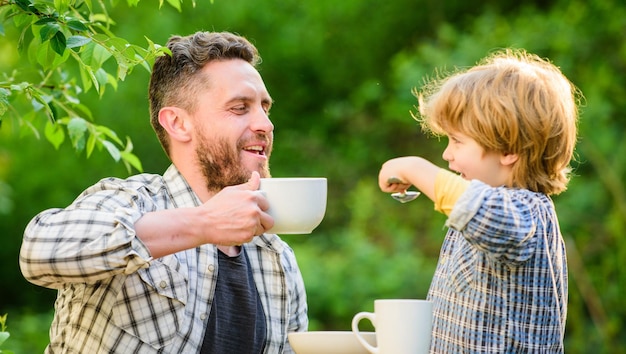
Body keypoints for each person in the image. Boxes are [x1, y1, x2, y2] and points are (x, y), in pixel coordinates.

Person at [19, 31, 308, 353]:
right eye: (240, 108)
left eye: (264, 109)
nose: (265, 125)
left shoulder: (276, 257)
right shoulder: (130, 201)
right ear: (178, 123)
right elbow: (36, 250)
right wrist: (205, 223)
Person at [378, 49, 579, 353]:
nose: (447, 154)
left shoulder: (526, 212)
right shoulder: (487, 213)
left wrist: (414, 168)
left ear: (508, 149)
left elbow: (479, 210)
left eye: (457, 141)